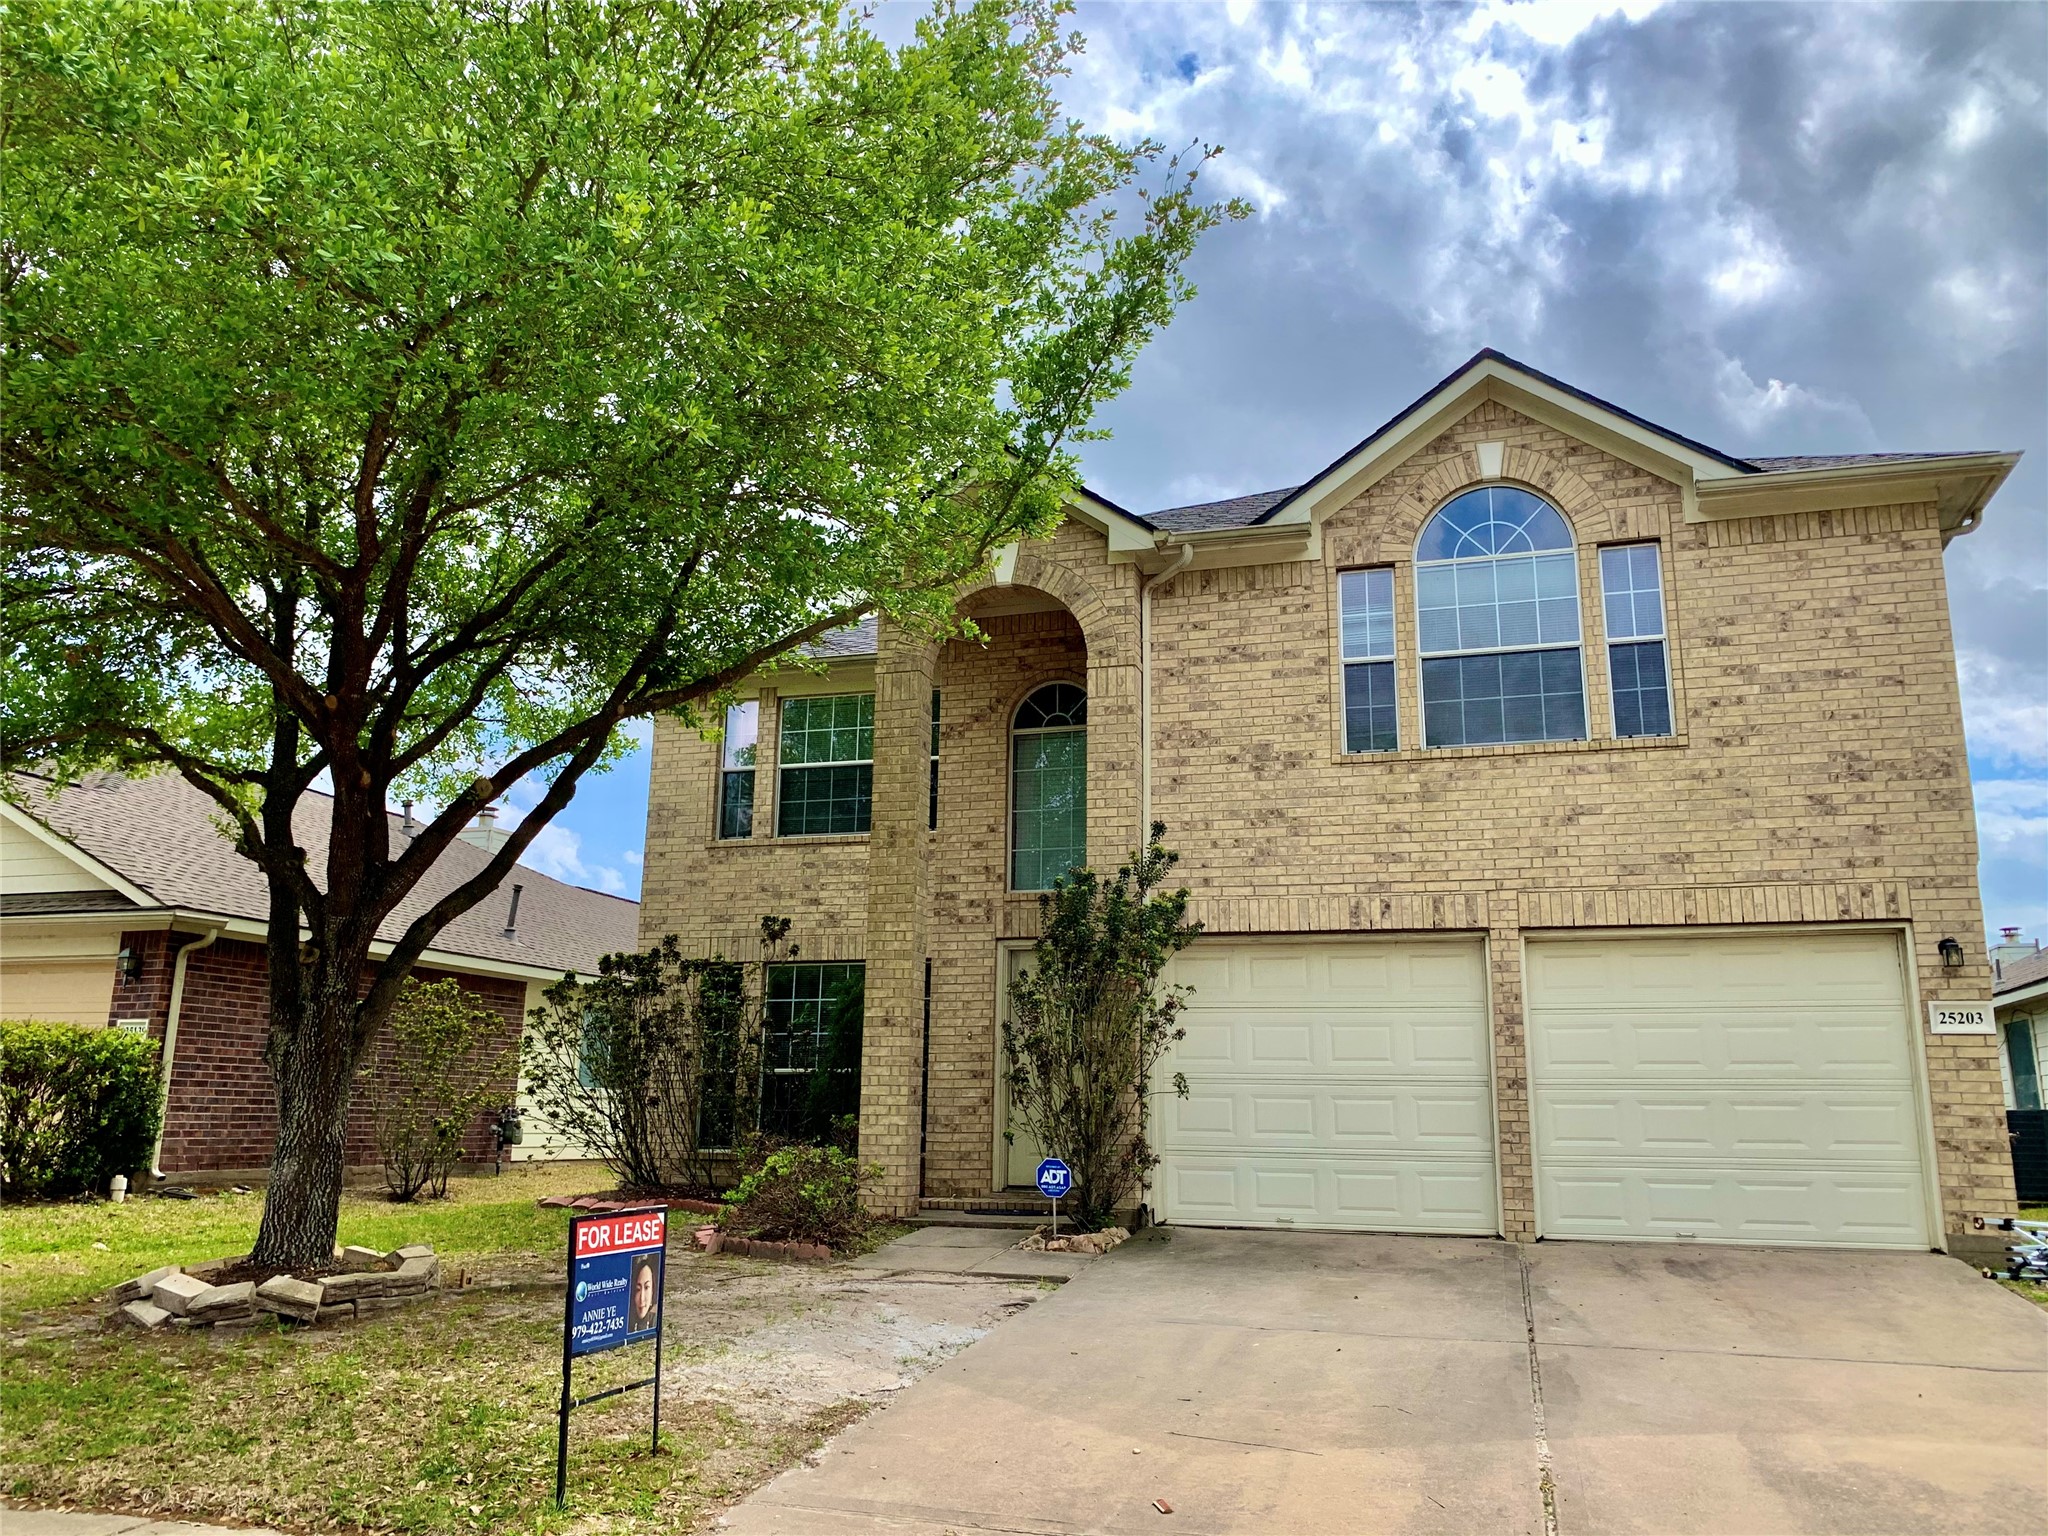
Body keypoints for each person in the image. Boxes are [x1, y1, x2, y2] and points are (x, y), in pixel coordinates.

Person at [628, 1252, 660, 1333]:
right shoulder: (626, 1322)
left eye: (646, 1288)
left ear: (653, 1290)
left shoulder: (656, 1321)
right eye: (637, 1289)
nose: (642, 1299)